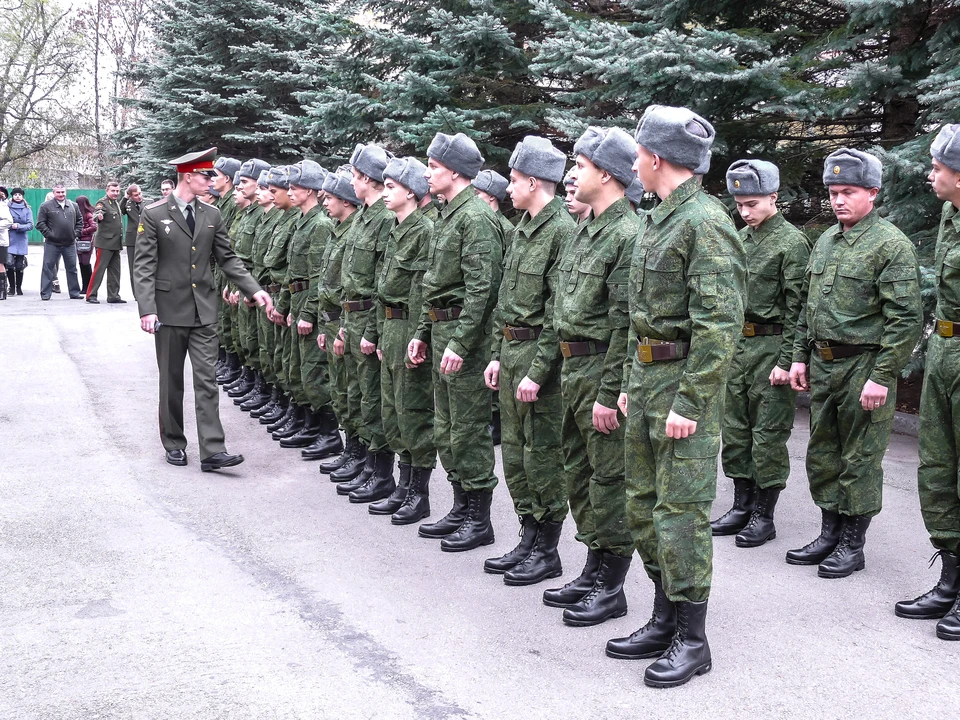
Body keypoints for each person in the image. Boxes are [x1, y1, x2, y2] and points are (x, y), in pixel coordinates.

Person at [610, 106, 745, 688]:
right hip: (644, 382)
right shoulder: (659, 217)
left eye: (638, 154)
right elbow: (636, 318)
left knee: (681, 515)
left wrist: (689, 404)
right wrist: (625, 384)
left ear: (656, 159)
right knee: (642, 506)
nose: (635, 164)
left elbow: (719, 326)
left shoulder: (704, 222)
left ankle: (694, 638)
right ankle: (664, 617)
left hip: (681, 386)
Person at [788, 149, 922, 578]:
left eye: (849, 191)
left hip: (864, 365)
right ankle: (829, 532)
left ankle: (852, 543)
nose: (839, 200)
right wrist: (799, 357)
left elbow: (905, 319)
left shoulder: (890, 244)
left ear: (873, 193)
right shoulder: (826, 240)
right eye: (832, 192)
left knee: (860, 456)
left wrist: (882, 377)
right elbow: (807, 308)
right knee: (823, 452)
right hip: (824, 364)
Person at [539, 127, 638, 627]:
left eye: (580, 166)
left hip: (601, 368)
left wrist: (609, 392)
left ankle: (612, 584)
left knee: (610, 480)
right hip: (573, 368)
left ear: (607, 174)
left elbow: (626, 323)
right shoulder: (585, 227)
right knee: (579, 474)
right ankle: (592, 565)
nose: (572, 175)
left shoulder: (626, 233)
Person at [134, 147, 273, 470]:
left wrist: (254, 290)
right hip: (168, 311)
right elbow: (143, 266)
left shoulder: (212, 215)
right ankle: (174, 442)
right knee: (171, 380)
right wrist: (147, 309)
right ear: (187, 177)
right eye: (204, 176)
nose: (210, 181)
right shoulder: (154, 214)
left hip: (204, 310)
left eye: (211, 175)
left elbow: (227, 259)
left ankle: (212, 450)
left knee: (207, 379)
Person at [407, 131, 504, 552]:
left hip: (466, 338)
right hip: (443, 329)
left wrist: (461, 343)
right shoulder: (449, 214)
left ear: (454, 172)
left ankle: (479, 518)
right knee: (446, 428)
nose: (428, 173)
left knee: (467, 429)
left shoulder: (475, 218)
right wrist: (424, 333)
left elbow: (482, 289)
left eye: (432, 166)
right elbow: (437, 286)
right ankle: (461, 506)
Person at [483, 136, 574, 585]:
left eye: (515, 180)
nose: (508, 188)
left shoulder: (562, 231)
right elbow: (505, 299)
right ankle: (528, 536)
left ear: (534, 182)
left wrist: (539, 372)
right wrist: (499, 354)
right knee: (516, 455)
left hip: (542, 359)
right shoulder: (522, 228)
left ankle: (548, 549)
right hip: (513, 351)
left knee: (543, 456)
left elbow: (559, 312)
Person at [711, 160, 811, 547]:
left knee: (767, 435)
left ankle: (763, 515)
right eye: (739, 204)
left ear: (774, 197)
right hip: (738, 348)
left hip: (772, 347)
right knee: (735, 431)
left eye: (752, 203)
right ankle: (741, 505)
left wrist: (787, 360)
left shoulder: (791, 243)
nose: (745, 211)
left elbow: (797, 310)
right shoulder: (741, 239)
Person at [897, 124, 960, 639]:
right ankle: (952, 579)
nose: (930, 174)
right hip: (944, 348)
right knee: (937, 468)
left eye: (938, 167)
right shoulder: (949, 214)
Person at [372, 156, 436, 523]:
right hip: (391, 326)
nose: (385, 193)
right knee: (394, 412)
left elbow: (421, 292)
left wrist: (418, 337)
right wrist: (382, 333)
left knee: (413, 413)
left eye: (391, 187)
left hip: (410, 326)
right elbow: (385, 290)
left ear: (410, 191)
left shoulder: (423, 231)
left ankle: (418, 492)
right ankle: (402, 484)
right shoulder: (396, 229)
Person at [336, 143, 397, 502]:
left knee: (374, 399)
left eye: (356, 177)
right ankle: (365, 461)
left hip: (370, 318)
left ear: (366, 180)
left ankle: (380, 471)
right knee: (359, 395)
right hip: (353, 315)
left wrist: (372, 330)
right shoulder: (362, 216)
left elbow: (381, 282)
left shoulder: (385, 221)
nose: (352, 183)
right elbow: (350, 277)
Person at [315, 167, 362, 472]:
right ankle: (351, 450)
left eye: (330, 198)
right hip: (331, 320)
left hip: (346, 321)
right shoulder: (335, 229)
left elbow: (352, 286)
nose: (325, 203)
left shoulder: (353, 230)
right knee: (341, 391)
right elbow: (325, 282)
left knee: (355, 393)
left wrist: (343, 327)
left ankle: (361, 457)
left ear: (346, 200)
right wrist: (324, 325)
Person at [36, 184, 83, 300]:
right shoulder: (45, 206)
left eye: (63, 192)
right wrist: (50, 235)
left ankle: (74, 293)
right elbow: (40, 224)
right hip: (52, 244)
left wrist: (75, 234)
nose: (61, 194)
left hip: (70, 244)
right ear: (54, 193)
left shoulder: (73, 206)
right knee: (48, 268)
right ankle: (45, 294)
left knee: (72, 268)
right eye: (58, 192)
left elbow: (80, 222)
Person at [86, 180, 125, 304]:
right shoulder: (102, 203)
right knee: (99, 269)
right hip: (105, 243)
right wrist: (99, 216)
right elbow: (97, 214)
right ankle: (91, 295)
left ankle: (113, 296)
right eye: (113, 191)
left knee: (115, 271)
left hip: (115, 243)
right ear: (107, 191)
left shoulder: (115, 203)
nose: (115, 193)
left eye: (117, 191)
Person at [6, 188, 33, 296]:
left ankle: (19, 288)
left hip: (21, 239)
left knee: (19, 265)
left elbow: (30, 225)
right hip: (8, 238)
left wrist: (18, 226)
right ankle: (11, 287)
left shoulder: (27, 209)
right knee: (9, 263)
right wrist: (9, 226)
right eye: (15, 194)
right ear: (12, 196)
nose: (17, 196)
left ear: (22, 196)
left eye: (19, 194)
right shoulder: (6, 207)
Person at [120, 184, 144, 300]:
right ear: (130, 196)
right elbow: (120, 211)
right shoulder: (127, 203)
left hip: (147, 238)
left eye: (139, 193)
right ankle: (136, 294)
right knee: (133, 267)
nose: (139, 196)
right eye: (135, 195)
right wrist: (125, 198)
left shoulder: (149, 202)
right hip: (132, 239)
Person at [75, 196, 98, 291]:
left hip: (87, 241)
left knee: (85, 263)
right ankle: (85, 286)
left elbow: (94, 227)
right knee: (81, 263)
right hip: (79, 240)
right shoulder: (78, 214)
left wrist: (82, 231)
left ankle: (88, 286)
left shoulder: (88, 214)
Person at [0, 189, 11, 300]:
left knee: (0, 264)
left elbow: (8, 221)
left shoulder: (2, 206)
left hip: (0, 240)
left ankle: (2, 291)